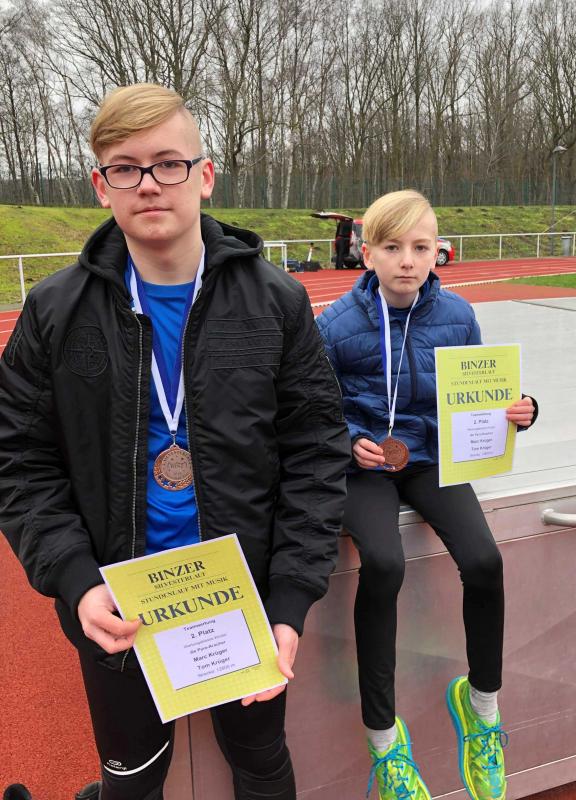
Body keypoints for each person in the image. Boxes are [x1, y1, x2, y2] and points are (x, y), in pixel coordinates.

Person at [0, 83, 350, 800]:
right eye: (125, 168)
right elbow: (18, 458)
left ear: (205, 175)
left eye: (168, 163)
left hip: (243, 597)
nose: (149, 183)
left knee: (259, 762)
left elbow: (317, 451)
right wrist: (76, 578)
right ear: (101, 186)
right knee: (134, 779)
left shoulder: (277, 301)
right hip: (116, 603)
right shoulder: (54, 311)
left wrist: (288, 600)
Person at [316, 190, 537, 800]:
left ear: (437, 250)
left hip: (433, 458)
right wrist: (349, 441)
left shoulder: (458, 316)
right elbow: (312, 409)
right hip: (364, 467)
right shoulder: (334, 325)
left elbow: (485, 393)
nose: (408, 260)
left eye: (420, 247)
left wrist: (520, 409)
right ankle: (384, 740)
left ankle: (481, 706)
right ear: (367, 254)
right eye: (392, 247)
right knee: (384, 563)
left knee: (485, 561)